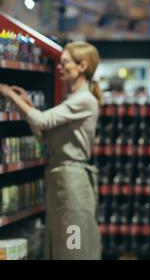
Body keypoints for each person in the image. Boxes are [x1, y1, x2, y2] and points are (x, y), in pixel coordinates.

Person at [0, 41, 103, 260]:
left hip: (72, 184)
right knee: (58, 243)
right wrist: (27, 104)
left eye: (65, 62)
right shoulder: (72, 100)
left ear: (82, 66)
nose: (59, 67)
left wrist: (11, 95)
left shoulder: (85, 100)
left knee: (72, 244)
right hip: (61, 180)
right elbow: (44, 136)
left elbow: (43, 120)